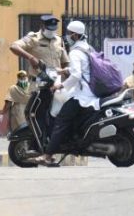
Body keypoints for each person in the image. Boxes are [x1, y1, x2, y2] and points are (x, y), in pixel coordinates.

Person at [32, 20, 99, 166]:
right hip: (92, 93)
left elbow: (76, 75)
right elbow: (84, 69)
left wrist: (60, 86)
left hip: (82, 96)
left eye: (69, 33)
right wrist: (64, 71)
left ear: (75, 35)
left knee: (61, 120)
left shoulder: (75, 52)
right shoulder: (88, 48)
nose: (67, 36)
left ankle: (48, 156)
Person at [10, 15, 70, 84]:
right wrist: (31, 58)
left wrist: (65, 73)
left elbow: (65, 62)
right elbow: (14, 46)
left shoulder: (59, 40)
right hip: (38, 84)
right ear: (42, 26)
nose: (52, 32)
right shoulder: (33, 39)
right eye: (49, 29)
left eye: (54, 29)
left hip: (55, 84)